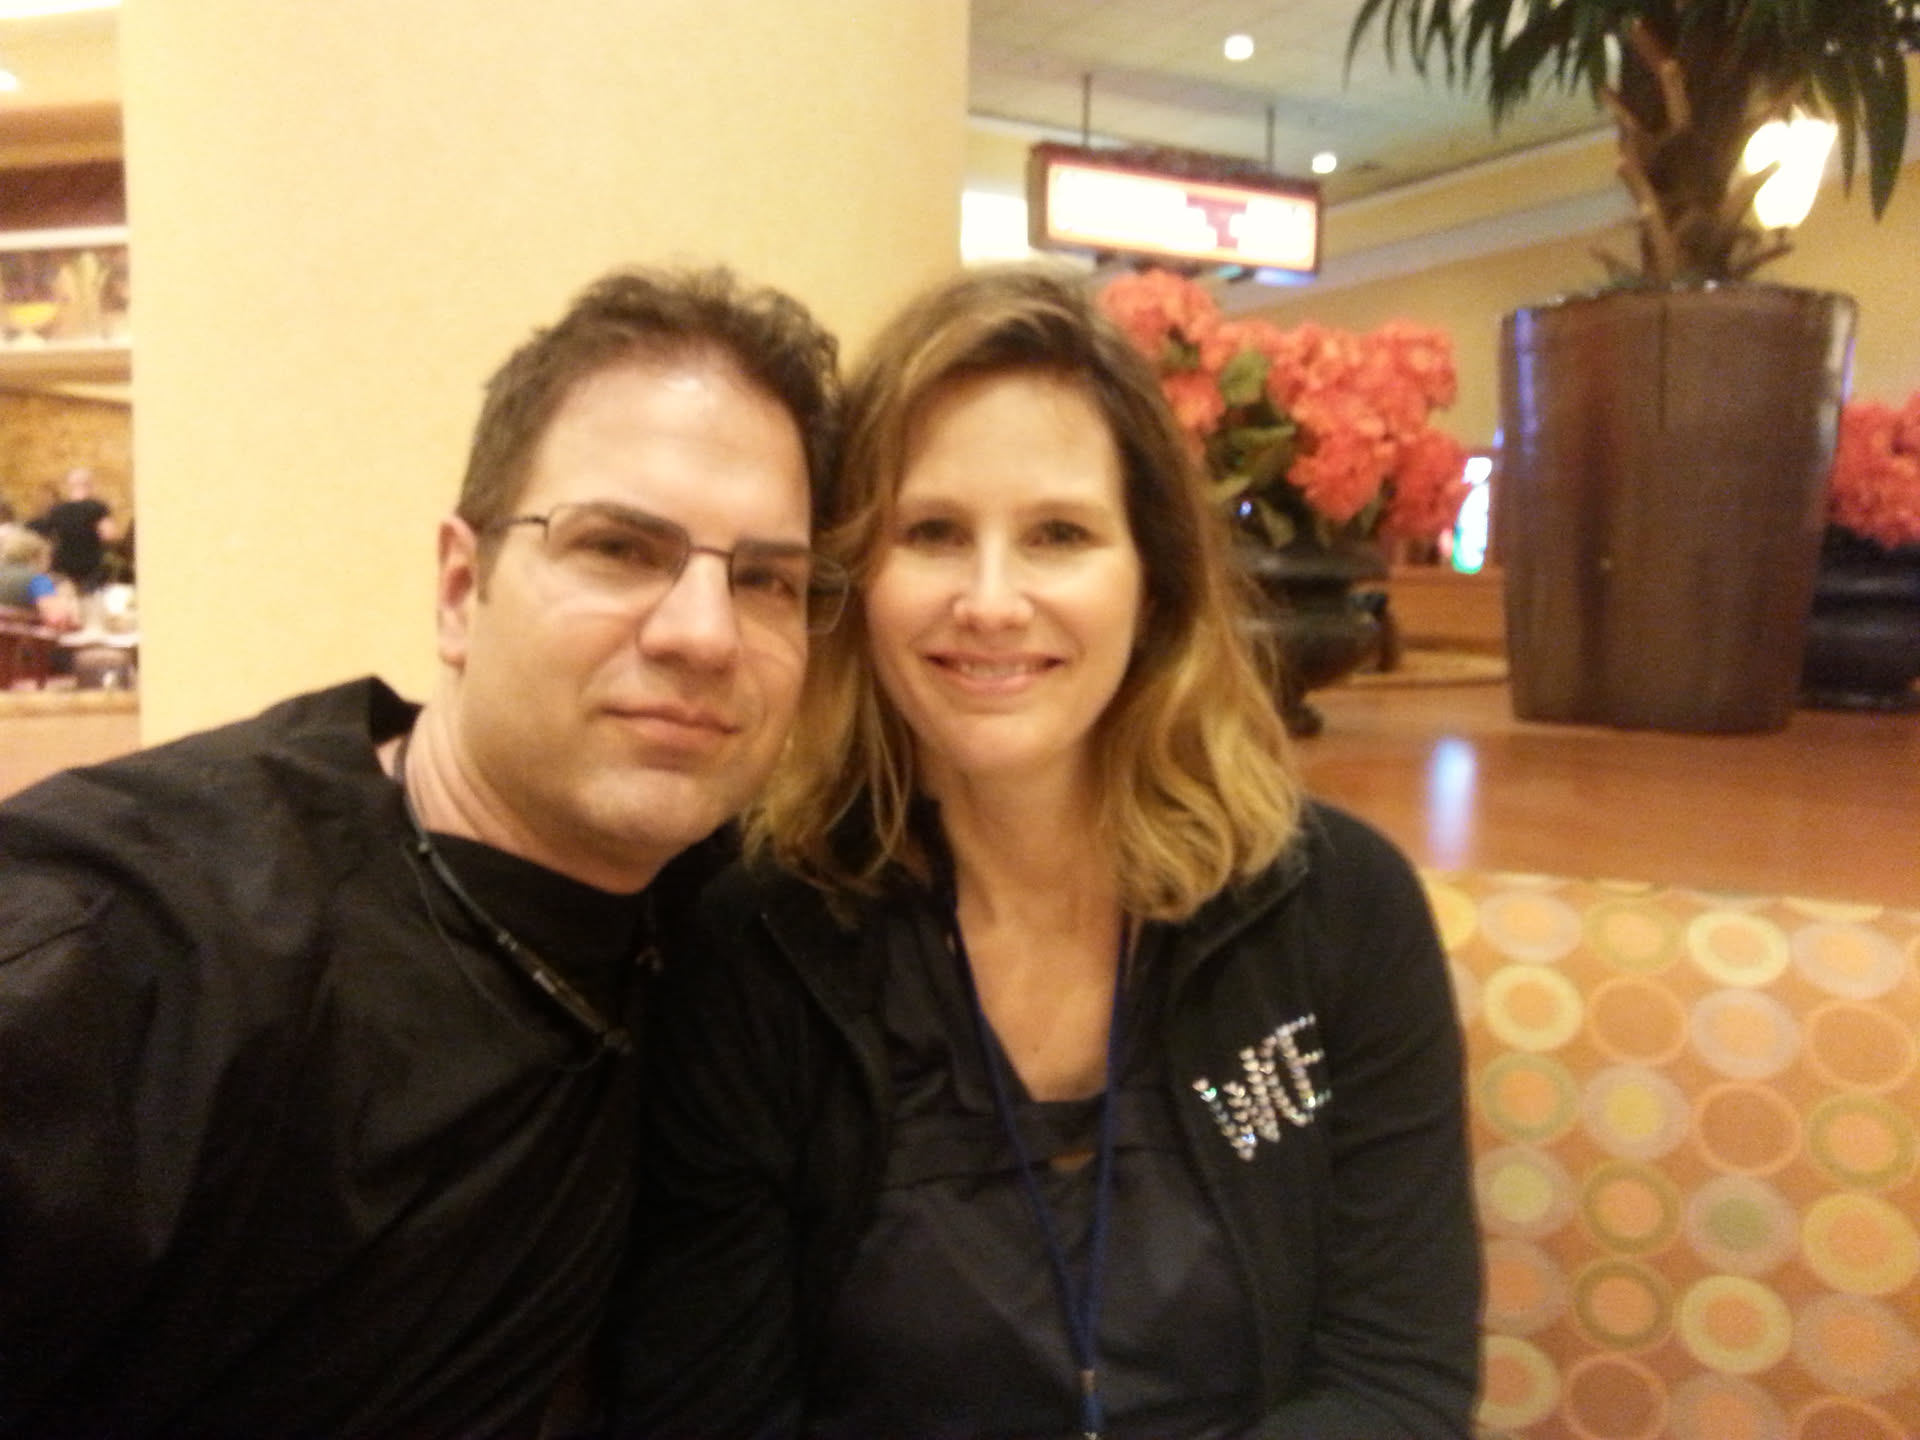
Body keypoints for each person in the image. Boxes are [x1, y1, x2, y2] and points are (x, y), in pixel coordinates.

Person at [610, 265, 1481, 1439]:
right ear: (857, 581)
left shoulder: (1336, 909)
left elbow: (1395, 1383)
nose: (991, 601)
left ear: (1154, 578)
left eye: (1059, 535)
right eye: (932, 533)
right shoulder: (757, 944)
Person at [0, 265, 847, 1436]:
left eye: (766, 581)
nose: (705, 634)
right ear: (460, 588)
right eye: (617, 547)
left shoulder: (737, 937)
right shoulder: (136, 956)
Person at [29, 466, 118, 592]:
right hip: (90, 565)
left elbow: (45, 538)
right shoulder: (97, 507)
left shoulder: (57, 510)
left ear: (69, 486)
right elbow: (110, 535)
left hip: (62, 566)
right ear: (90, 485)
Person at [0, 524, 79, 630]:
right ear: (36, 556)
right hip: (22, 638)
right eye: (47, 557)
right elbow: (58, 619)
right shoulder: (38, 580)